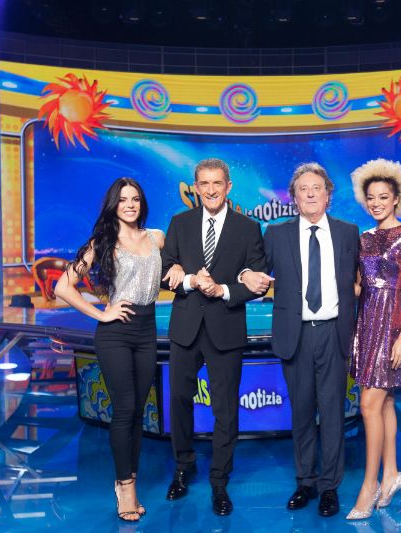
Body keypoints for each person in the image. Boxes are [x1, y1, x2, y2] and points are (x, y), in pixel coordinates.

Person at [54, 177, 184, 522]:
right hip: (115, 333)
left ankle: (130, 478)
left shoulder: (156, 237)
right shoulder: (102, 242)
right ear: (114, 204)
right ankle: (125, 486)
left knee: (138, 411)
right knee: (125, 409)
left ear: (142, 203)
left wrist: (175, 266)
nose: (130, 205)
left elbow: (174, 266)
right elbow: (62, 287)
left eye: (135, 199)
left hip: (147, 330)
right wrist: (101, 313)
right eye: (123, 199)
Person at [241, 162, 359, 517]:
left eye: (316, 188)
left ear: (328, 195)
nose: (310, 194)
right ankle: (305, 481)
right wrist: (245, 274)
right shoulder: (276, 234)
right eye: (302, 189)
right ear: (293, 197)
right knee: (303, 411)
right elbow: (255, 270)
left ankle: (329, 487)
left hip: (334, 333)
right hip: (296, 334)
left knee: (333, 412)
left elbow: (363, 279)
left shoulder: (348, 233)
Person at [160, 158, 266, 516]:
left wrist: (223, 290)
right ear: (196, 187)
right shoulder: (179, 223)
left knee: (225, 408)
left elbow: (257, 280)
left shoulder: (248, 228)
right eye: (203, 183)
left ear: (228, 186)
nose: (210, 190)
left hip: (226, 328)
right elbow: (165, 270)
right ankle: (183, 466)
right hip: (185, 328)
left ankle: (219, 480)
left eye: (217, 183)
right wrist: (189, 279)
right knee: (179, 399)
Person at [345, 158, 401, 520]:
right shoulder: (363, 238)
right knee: (385, 402)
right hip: (367, 324)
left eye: (383, 197)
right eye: (371, 198)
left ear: (396, 199)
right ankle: (391, 475)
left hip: (392, 326)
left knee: (368, 405)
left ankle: (370, 485)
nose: (376, 203)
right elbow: (360, 287)